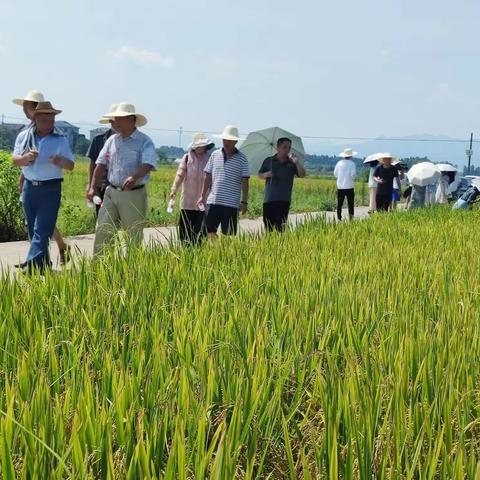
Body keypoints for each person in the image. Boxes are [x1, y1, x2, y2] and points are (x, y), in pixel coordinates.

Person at [12, 101, 75, 273]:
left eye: (51, 119)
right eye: (45, 119)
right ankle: (43, 265)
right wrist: (26, 158)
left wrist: (60, 161)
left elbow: (71, 165)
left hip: (50, 189)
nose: (49, 123)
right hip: (30, 188)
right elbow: (15, 161)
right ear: (36, 118)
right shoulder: (24, 136)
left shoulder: (60, 139)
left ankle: (31, 265)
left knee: (42, 229)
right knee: (33, 230)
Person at [88, 103, 158, 256]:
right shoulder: (112, 140)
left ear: (132, 119)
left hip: (133, 193)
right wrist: (92, 187)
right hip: (111, 191)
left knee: (133, 234)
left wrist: (134, 177)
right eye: (114, 119)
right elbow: (100, 164)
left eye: (120, 118)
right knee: (103, 229)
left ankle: (130, 270)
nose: (116, 122)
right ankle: (100, 269)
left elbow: (148, 163)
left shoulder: (144, 141)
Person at [198, 125, 249, 241]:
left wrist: (244, 201)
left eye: (230, 140)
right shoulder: (215, 155)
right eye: (225, 139)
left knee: (228, 236)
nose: (227, 142)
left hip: (231, 204)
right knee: (207, 231)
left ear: (235, 141)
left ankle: (225, 255)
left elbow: (245, 181)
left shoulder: (242, 159)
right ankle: (217, 253)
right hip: (213, 201)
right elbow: (207, 176)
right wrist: (202, 196)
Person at [169, 133, 214, 244]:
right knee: (185, 231)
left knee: (200, 231)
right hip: (187, 202)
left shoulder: (210, 158)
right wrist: (174, 189)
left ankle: (198, 251)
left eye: (204, 145)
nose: (201, 147)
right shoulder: (187, 157)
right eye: (199, 145)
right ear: (194, 146)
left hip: (203, 201)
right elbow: (180, 174)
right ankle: (185, 251)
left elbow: (213, 177)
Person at [258, 137, 306, 232]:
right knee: (268, 228)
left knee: (281, 229)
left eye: (289, 147)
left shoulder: (292, 163)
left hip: (284, 201)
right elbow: (259, 174)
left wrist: (296, 162)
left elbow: (302, 174)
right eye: (285, 147)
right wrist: (266, 174)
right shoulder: (269, 161)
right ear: (278, 147)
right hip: (269, 200)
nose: (287, 150)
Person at [86, 105, 118, 217]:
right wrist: (90, 185)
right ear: (110, 121)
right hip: (102, 186)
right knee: (102, 218)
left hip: (122, 188)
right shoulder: (99, 140)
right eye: (115, 119)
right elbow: (92, 164)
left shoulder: (131, 142)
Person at [334, 148, 357, 220]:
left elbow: (335, 174)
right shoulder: (352, 164)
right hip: (349, 186)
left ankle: (339, 218)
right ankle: (351, 218)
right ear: (351, 156)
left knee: (339, 204)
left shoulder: (339, 163)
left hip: (340, 187)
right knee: (350, 204)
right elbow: (353, 175)